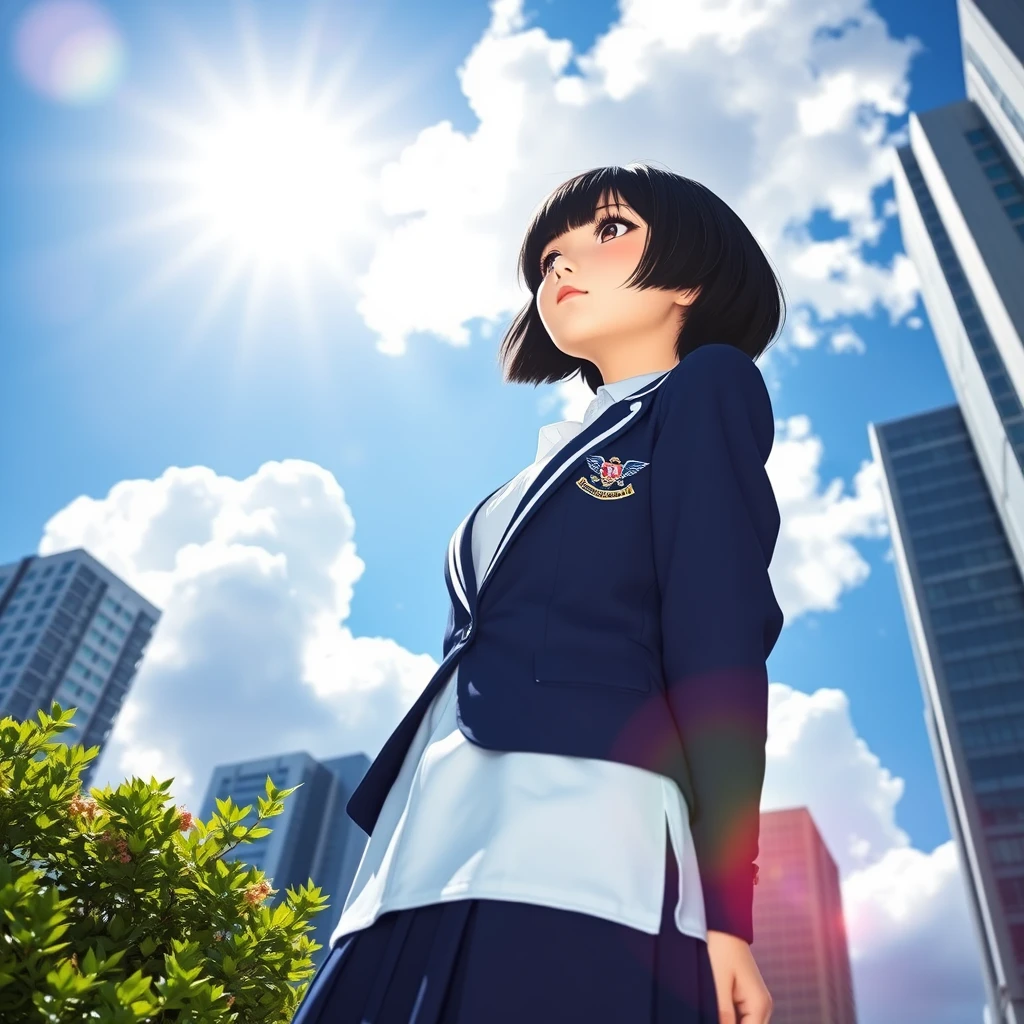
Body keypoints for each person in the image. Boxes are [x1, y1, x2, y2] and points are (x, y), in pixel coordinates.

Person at [291, 162, 786, 1024]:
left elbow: (720, 642)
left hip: (582, 834)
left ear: (693, 278)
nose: (562, 266)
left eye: (608, 230)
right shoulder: (542, 462)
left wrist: (726, 916)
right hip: (419, 841)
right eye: (548, 256)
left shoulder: (705, 390)